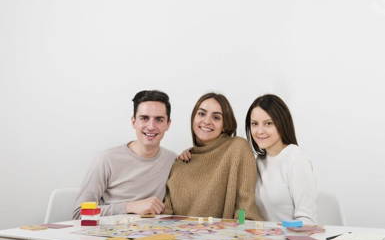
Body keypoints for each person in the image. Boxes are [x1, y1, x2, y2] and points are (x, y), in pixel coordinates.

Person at [72, 90, 176, 219]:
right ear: (133, 122)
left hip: (153, 235)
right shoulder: (107, 159)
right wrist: (129, 207)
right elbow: (79, 213)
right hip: (109, 235)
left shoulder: (173, 161)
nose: (151, 126)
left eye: (159, 119)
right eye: (144, 118)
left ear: (168, 124)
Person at [163, 93, 263, 220]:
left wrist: (241, 228)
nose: (206, 121)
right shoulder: (180, 163)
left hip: (226, 237)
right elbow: (167, 213)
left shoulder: (238, 148)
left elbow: (245, 207)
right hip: (178, 237)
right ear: (193, 118)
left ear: (225, 124)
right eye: (201, 114)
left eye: (216, 117)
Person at [245, 94, 317, 225]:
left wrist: (278, 232)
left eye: (268, 123)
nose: (259, 131)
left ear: (282, 123)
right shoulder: (258, 162)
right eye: (254, 124)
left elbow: (307, 221)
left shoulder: (295, 159)